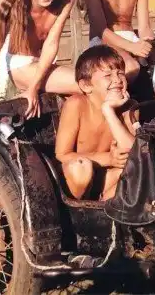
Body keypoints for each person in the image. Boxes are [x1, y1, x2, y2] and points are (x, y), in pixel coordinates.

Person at [54, 45, 139, 201]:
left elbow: (134, 153)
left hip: (106, 179)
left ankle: (104, 209)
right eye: (108, 75)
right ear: (86, 85)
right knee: (81, 166)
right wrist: (109, 158)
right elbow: (62, 155)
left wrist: (109, 111)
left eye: (120, 73)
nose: (117, 80)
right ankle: (79, 212)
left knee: (138, 171)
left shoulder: (129, 108)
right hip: (78, 178)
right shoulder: (76, 104)